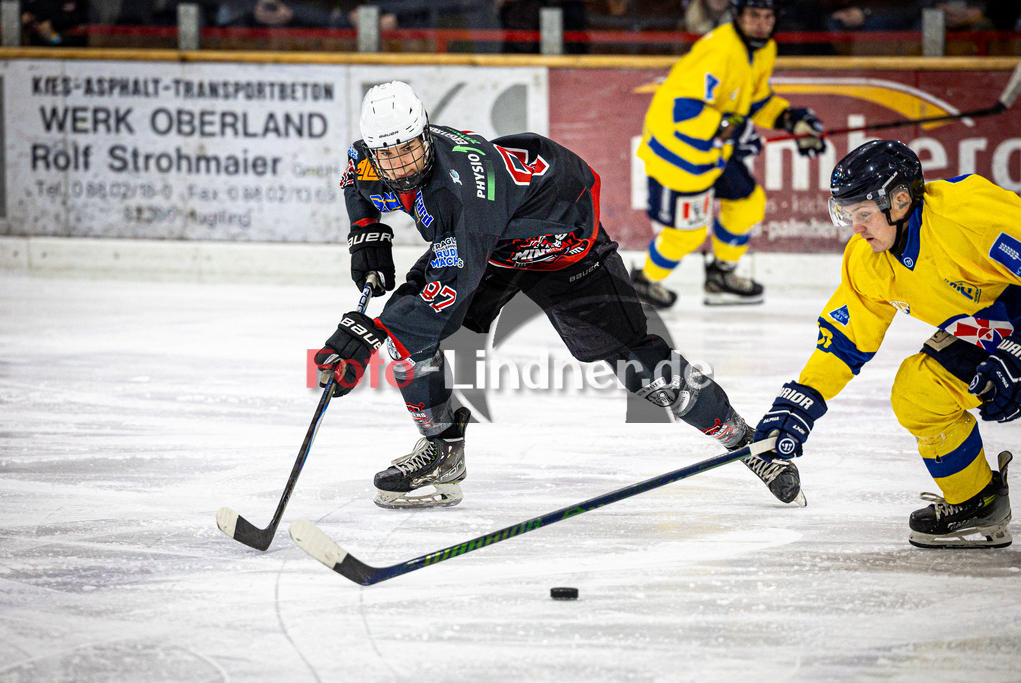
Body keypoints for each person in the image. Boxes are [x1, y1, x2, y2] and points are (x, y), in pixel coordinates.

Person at [314, 81, 806, 510]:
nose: (400, 164)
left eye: (410, 150)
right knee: (407, 338)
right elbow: (356, 180)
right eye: (390, 154)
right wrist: (367, 233)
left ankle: (747, 443)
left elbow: (449, 288)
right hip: (496, 246)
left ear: (426, 132)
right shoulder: (370, 156)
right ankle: (443, 451)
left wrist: (366, 333)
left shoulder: (462, 193)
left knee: (644, 370)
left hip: (564, 247)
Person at [754, 139, 1019, 548]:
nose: (855, 228)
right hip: (997, 330)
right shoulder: (868, 260)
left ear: (899, 201)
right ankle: (976, 501)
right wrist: (802, 399)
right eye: (847, 215)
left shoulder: (969, 215)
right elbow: (843, 341)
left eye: (862, 214)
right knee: (919, 390)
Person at [631, 0, 827, 309]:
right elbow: (684, 109)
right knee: (688, 235)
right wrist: (735, 130)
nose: (761, 23)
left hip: (716, 148)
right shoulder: (719, 51)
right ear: (737, 16)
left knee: (748, 204)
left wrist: (792, 121)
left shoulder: (763, 49)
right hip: (678, 152)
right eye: (753, 16)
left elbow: (757, 100)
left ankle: (721, 276)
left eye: (767, 16)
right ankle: (645, 280)